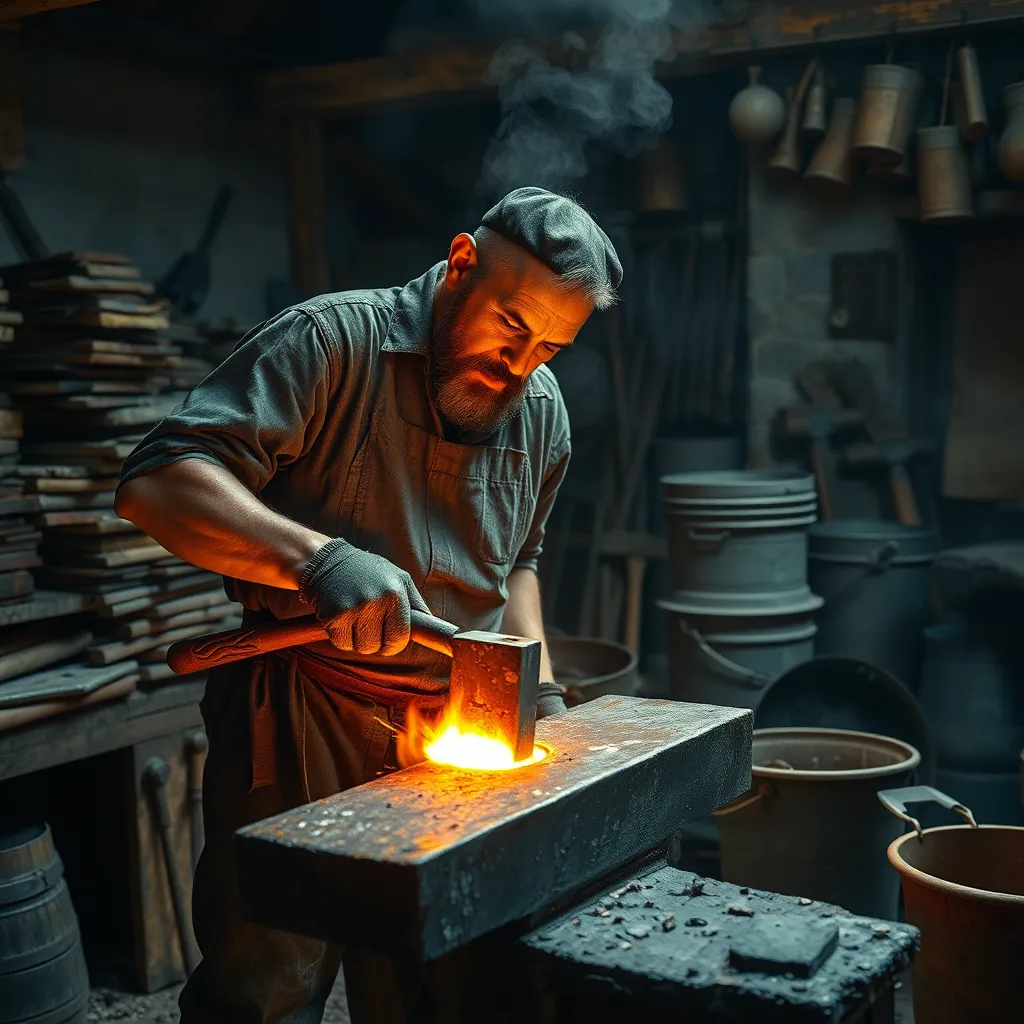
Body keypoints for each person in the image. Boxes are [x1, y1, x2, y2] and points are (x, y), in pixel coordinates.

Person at [114, 186, 622, 1023]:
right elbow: (156, 484)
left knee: (438, 972)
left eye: (551, 348)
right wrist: (317, 561)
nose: (521, 365)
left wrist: (540, 687)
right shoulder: (329, 344)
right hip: (301, 712)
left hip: (461, 729)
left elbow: (520, 561)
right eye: (512, 327)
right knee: (268, 982)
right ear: (461, 264)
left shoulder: (542, 414)